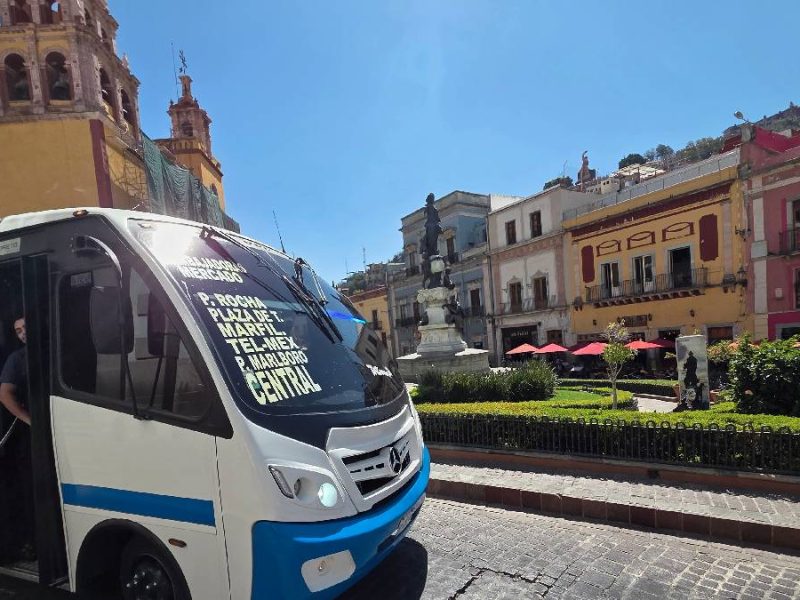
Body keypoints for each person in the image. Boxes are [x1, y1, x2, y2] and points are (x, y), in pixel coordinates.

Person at [0, 317, 35, 562]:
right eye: (18, 331)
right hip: (27, 437)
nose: (22, 333)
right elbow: (5, 395)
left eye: (25, 328)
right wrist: (30, 420)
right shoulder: (17, 359)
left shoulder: (50, 352)